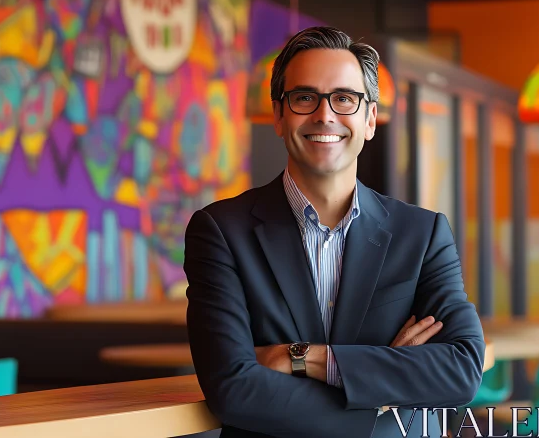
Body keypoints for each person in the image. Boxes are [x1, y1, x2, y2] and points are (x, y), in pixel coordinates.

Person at [183, 26, 485, 438]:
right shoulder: (221, 232)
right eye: (304, 97)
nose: (325, 115)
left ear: (370, 119)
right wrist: (377, 393)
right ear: (278, 115)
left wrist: (304, 358)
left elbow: (462, 370)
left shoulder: (423, 233)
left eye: (344, 98)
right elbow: (233, 389)